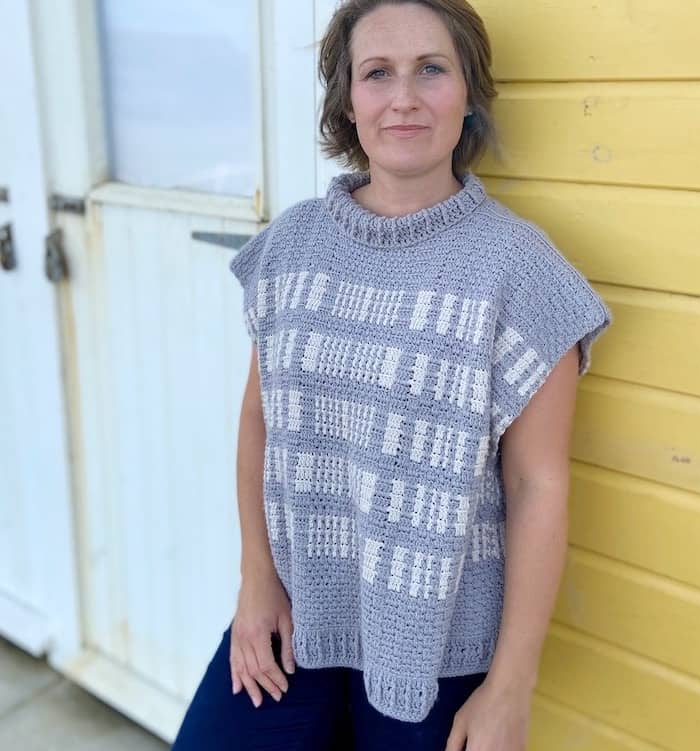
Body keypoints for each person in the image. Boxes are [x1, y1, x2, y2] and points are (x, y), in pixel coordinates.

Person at [171, 0, 612, 749]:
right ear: (349, 99)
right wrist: (256, 579)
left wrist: (510, 688)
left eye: (431, 69)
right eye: (378, 73)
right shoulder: (291, 247)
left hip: (439, 651)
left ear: (467, 92)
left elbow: (538, 486)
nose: (404, 96)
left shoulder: (522, 273)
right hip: (294, 618)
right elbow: (260, 419)